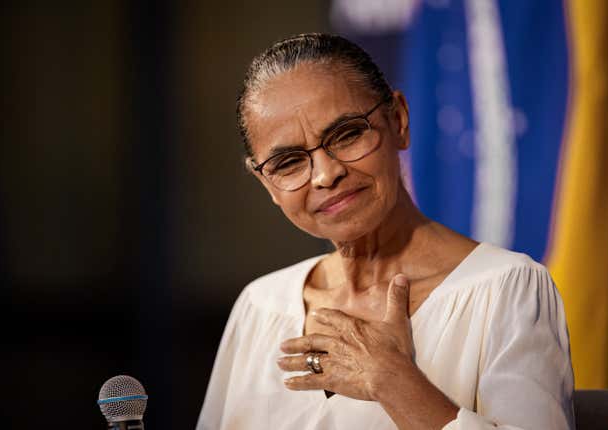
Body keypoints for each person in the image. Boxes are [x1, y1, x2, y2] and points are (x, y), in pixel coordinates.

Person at [197, 33, 574, 429]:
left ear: (399, 121)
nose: (326, 175)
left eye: (347, 135)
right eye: (289, 162)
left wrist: (393, 381)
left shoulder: (507, 290)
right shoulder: (260, 306)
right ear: (267, 185)